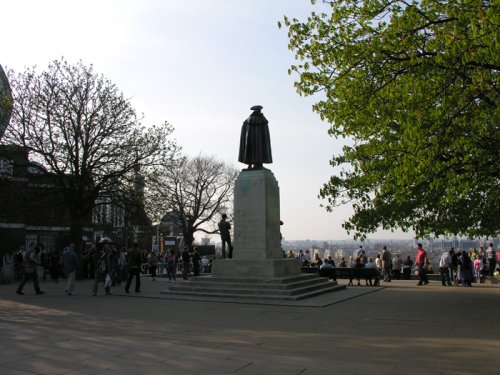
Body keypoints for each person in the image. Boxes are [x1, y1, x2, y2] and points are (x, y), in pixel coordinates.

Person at [238, 105, 272, 170]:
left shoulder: (248, 120)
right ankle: (258, 164)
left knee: (249, 151)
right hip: (258, 142)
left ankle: (250, 165)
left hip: (249, 142)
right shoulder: (261, 119)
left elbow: (244, 131)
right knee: (258, 151)